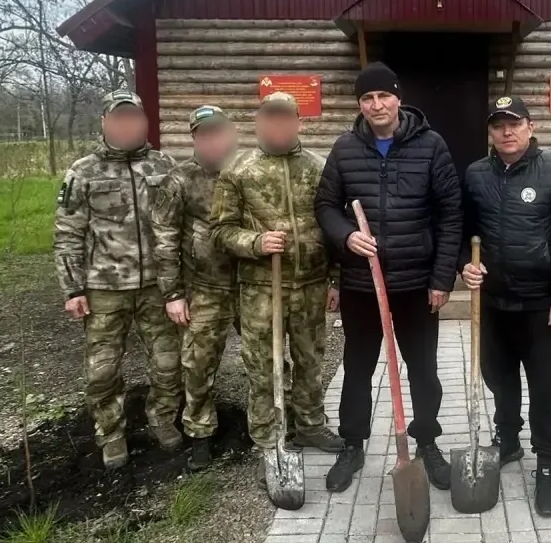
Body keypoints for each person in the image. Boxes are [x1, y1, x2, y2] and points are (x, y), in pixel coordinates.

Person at [314, 61, 463, 493]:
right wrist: (346, 237)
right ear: (359, 104)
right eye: (367, 98)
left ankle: (428, 444)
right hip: (362, 284)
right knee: (357, 367)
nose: (376, 105)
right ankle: (353, 444)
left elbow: (450, 214)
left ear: (398, 98)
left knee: (422, 368)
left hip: (416, 283)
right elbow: (325, 206)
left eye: (383, 95)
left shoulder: (431, 145)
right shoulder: (344, 148)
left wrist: (441, 279)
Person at [459, 95, 551, 518]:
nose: (506, 131)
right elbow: (464, 230)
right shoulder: (476, 174)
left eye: (514, 123)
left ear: (530, 127)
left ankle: (547, 463)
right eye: (498, 125)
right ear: (491, 133)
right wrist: (465, 265)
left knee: (545, 387)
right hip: (493, 302)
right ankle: (508, 438)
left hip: (538, 304)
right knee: (497, 376)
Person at [210, 92, 344, 475]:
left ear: (299, 122)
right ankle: (269, 437)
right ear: (258, 122)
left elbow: (333, 227)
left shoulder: (319, 168)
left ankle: (311, 427)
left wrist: (334, 279)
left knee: (310, 361)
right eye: (271, 119)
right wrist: (254, 243)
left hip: (311, 285)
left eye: (286, 119)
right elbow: (220, 231)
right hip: (260, 289)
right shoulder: (238, 170)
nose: (279, 126)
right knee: (264, 365)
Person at [53, 90, 181, 469]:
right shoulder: (83, 172)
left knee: (168, 362)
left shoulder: (164, 165)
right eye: (118, 118)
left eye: (133, 118)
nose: (127, 125)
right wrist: (72, 287)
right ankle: (111, 433)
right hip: (104, 287)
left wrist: (180, 281)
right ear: (105, 123)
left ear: (144, 121)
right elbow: (67, 232)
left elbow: (180, 225)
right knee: (103, 369)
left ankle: (162, 418)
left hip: (158, 286)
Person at [151, 105, 240, 471]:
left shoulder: (245, 171)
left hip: (249, 285)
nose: (213, 140)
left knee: (266, 359)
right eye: (204, 134)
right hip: (204, 288)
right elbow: (165, 239)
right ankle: (200, 432)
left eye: (218, 132)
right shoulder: (178, 180)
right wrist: (172, 294)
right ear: (194, 138)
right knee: (198, 364)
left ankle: (272, 424)